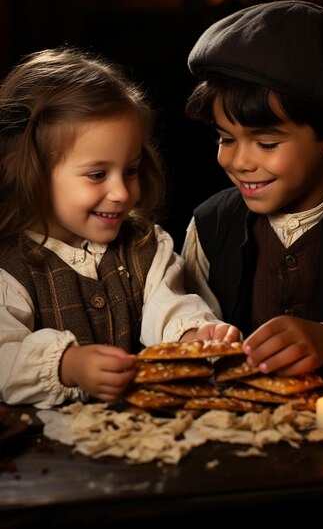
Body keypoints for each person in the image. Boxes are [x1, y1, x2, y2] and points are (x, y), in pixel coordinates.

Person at [0, 47, 236, 409]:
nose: (122, 192)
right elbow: (4, 356)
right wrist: (68, 365)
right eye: (97, 175)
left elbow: (169, 306)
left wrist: (195, 336)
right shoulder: (9, 269)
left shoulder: (145, 248)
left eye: (130, 169)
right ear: (28, 172)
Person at [181, 0, 323, 387]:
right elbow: (186, 328)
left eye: (267, 144)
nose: (239, 161)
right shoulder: (209, 226)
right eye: (225, 138)